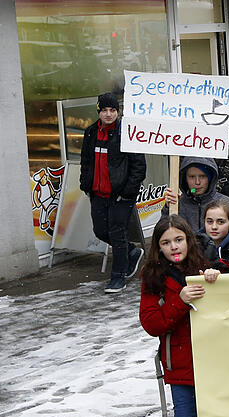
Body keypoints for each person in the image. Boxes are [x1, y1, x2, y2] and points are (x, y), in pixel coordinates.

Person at [139, 215, 220, 417]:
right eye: (165, 242)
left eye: (178, 240)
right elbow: (152, 323)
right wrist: (180, 300)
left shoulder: (205, 264)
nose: (173, 247)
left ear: (188, 239)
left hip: (216, 360)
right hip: (181, 364)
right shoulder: (153, 278)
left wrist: (218, 276)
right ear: (157, 248)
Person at [80, 92, 147, 293]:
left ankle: (118, 277)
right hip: (98, 193)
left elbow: (138, 166)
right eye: (104, 110)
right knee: (100, 231)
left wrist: (128, 192)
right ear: (99, 111)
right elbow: (86, 161)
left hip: (120, 195)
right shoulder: (91, 132)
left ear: (118, 111)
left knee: (117, 234)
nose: (109, 114)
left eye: (113, 110)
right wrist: (86, 184)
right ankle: (131, 252)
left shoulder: (127, 131)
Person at [161, 157, 229, 234]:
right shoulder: (177, 204)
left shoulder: (227, 203)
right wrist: (168, 209)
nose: (197, 182)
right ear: (185, 179)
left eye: (202, 176)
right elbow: (162, 234)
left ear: (210, 178)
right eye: (192, 177)